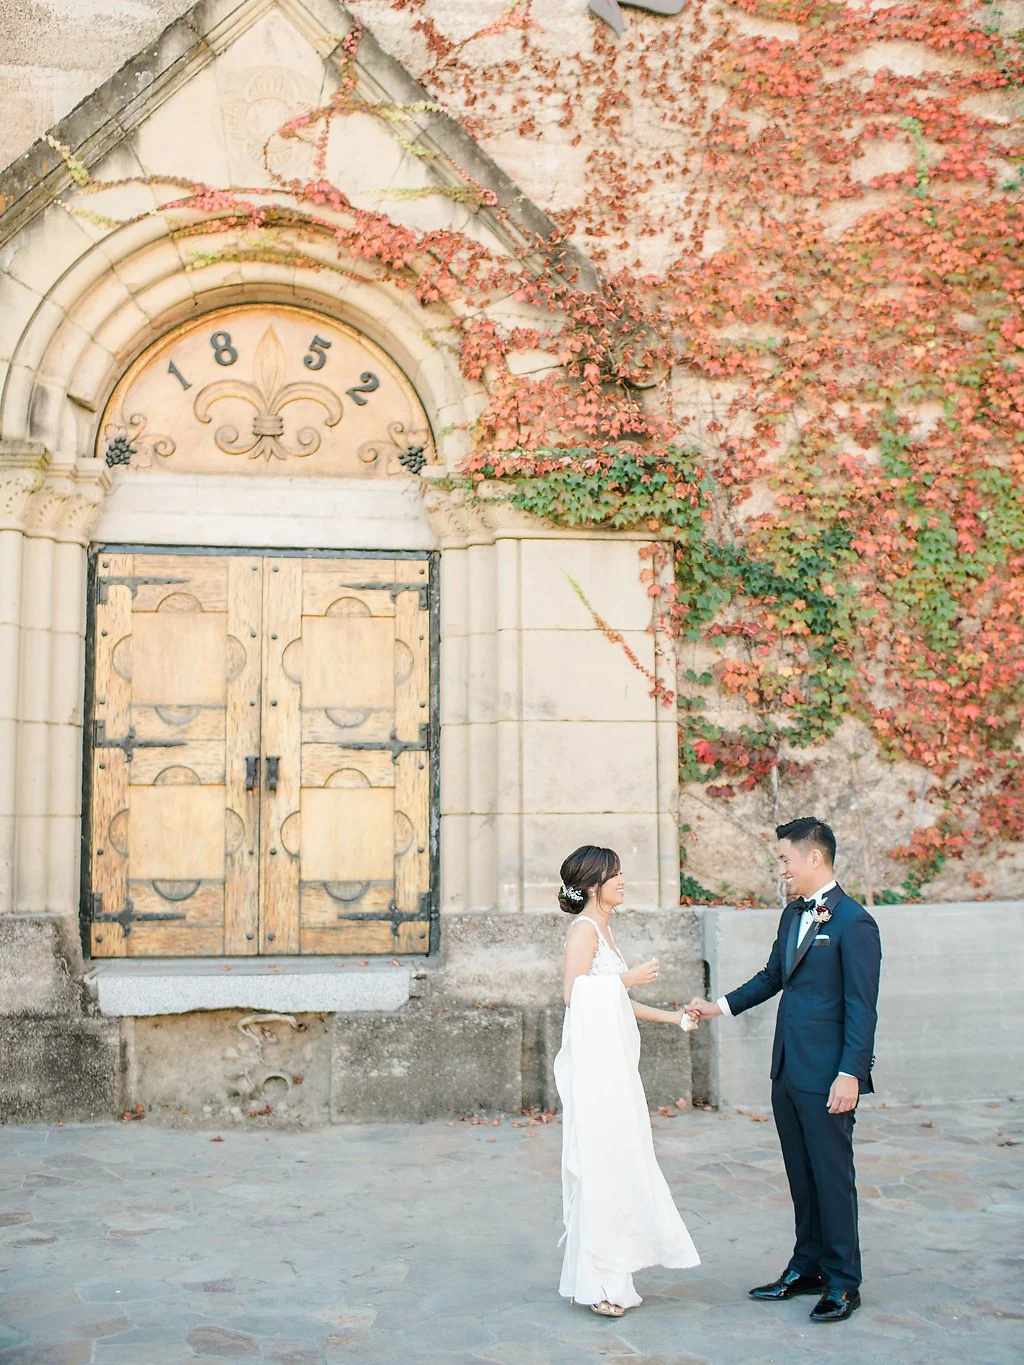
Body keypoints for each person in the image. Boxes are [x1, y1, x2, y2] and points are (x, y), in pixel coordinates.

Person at [687, 817, 881, 1323]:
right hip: (787, 1070)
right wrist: (720, 1006)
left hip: (828, 1076)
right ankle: (807, 1267)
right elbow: (774, 975)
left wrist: (851, 1074)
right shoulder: (793, 914)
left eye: (784, 860)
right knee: (801, 1174)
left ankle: (843, 1282)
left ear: (813, 858)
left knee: (833, 1178)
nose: (781, 869)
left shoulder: (855, 924)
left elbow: (863, 1007)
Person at [553, 844, 700, 1318]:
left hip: (616, 1066)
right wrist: (628, 980)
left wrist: (673, 1018)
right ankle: (597, 1283)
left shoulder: (606, 930)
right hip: (596, 1072)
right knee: (601, 1162)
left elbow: (616, 1002)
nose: (622, 880)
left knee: (620, 1161)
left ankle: (615, 1276)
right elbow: (574, 995)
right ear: (594, 883)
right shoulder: (583, 930)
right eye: (615, 874)